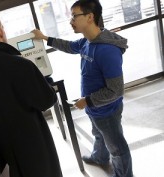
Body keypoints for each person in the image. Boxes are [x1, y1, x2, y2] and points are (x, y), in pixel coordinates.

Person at [32, 0, 133, 177]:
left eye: (74, 16)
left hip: (106, 110)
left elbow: (116, 90)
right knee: (99, 134)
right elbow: (70, 47)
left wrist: (87, 101)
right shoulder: (88, 41)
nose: (71, 21)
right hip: (95, 108)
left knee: (117, 148)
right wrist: (45, 38)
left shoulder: (107, 50)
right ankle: (100, 157)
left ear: (90, 17)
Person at [0, 13, 63, 177]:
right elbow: (46, 100)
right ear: (0, 31)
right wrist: (46, 84)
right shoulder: (20, 64)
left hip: (1, 143)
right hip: (32, 140)